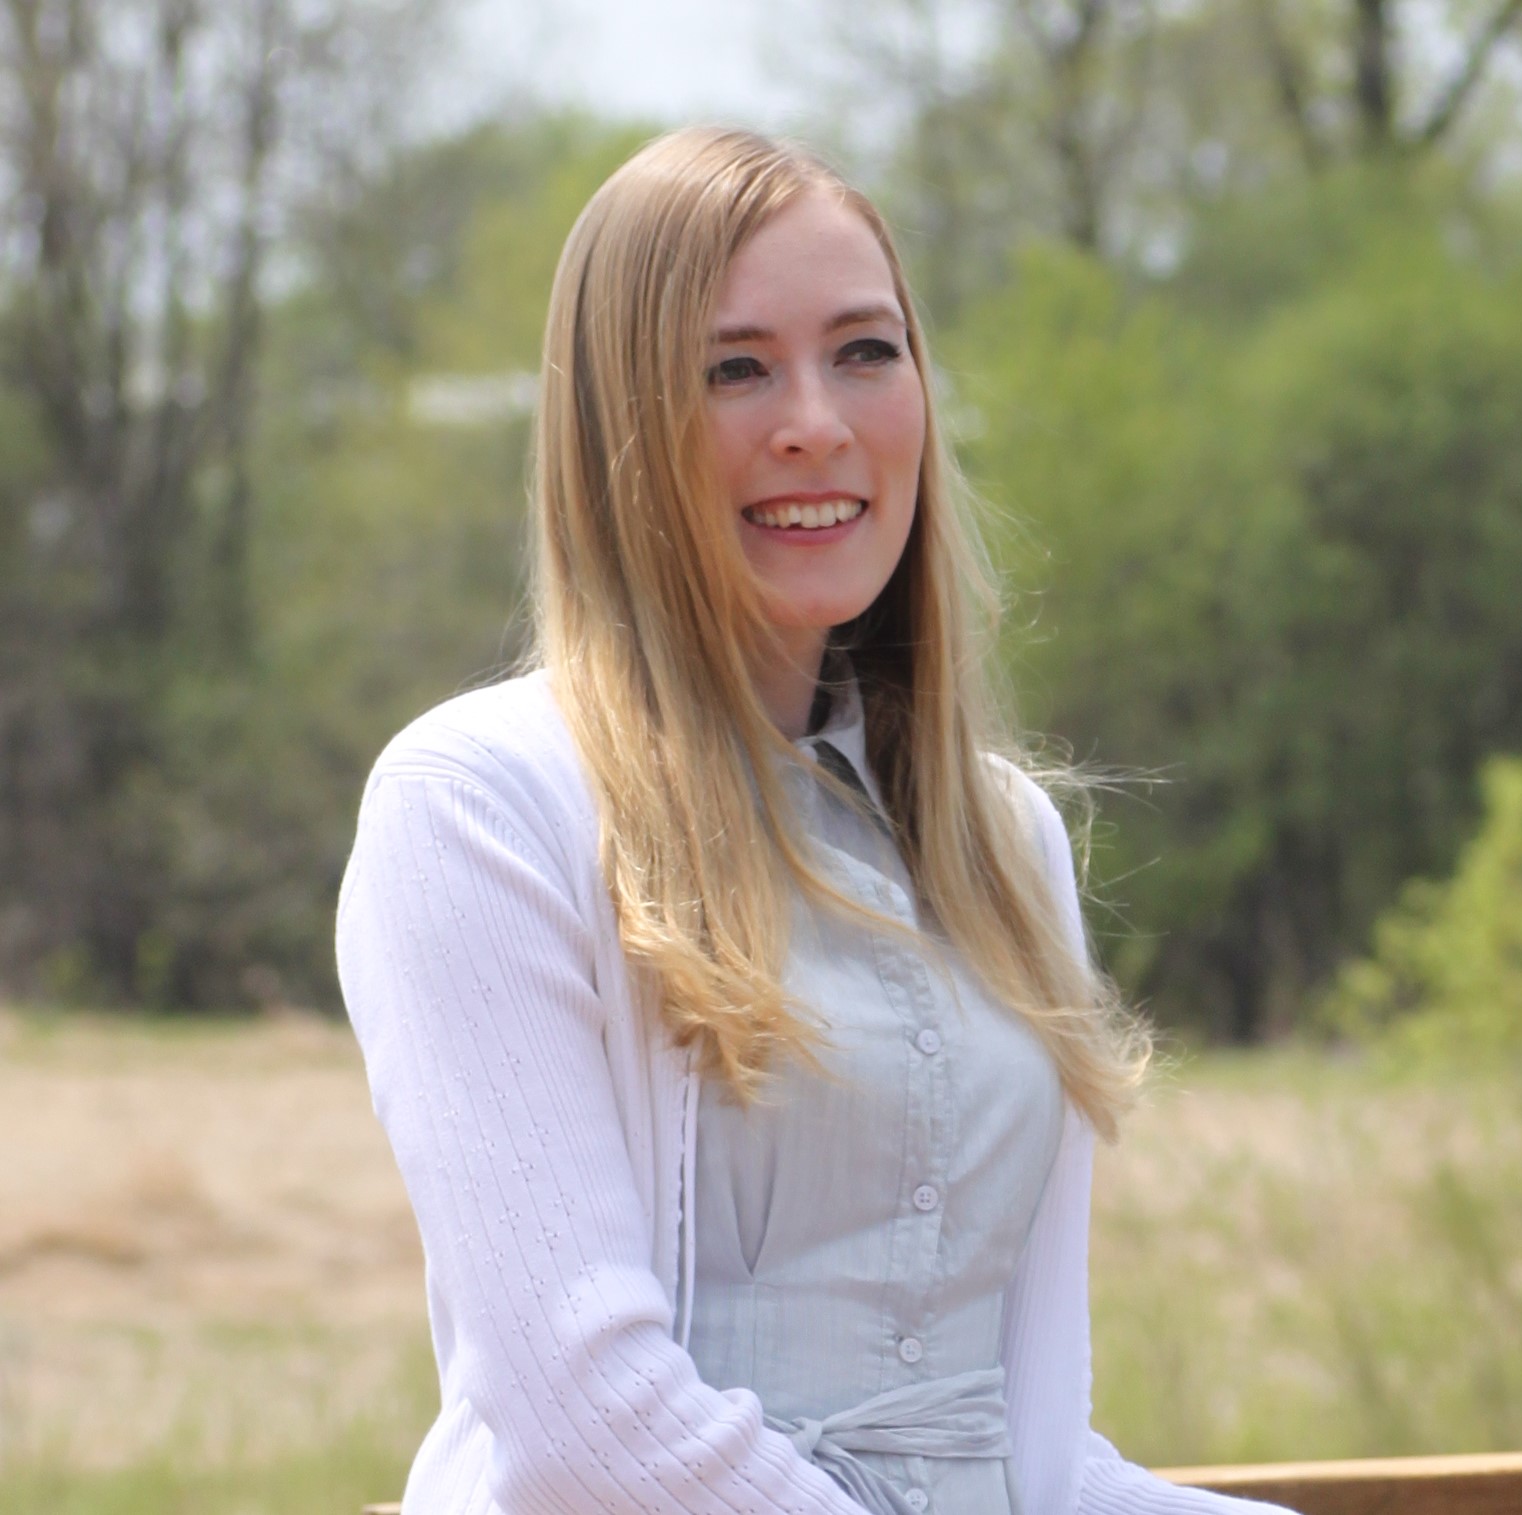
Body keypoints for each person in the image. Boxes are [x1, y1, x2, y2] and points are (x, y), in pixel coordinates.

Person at [337, 126, 1290, 1515]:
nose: (816, 422)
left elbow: (1029, 1459)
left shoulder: (1000, 841)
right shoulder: (479, 804)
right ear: (617, 429)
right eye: (733, 368)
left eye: (864, 351)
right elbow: (578, 1421)